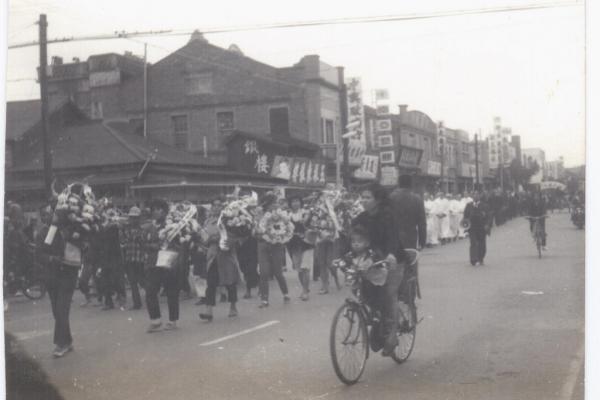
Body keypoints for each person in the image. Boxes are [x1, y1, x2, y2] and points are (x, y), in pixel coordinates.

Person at [352, 182, 407, 357]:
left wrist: (391, 254)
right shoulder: (360, 218)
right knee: (366, 293)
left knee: (389, 293)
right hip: (371, 261)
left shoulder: (388, 216)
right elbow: (352, 239)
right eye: (362, 197)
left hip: (393, 260)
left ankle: (392, 332)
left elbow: (393, 238)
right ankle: (378, 323)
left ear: (377, 199)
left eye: (368, 197)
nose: (364, 200)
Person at [36, 204, 79, 358]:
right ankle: (67, 340)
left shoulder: (67, 231)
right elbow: (39, 255)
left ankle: (60, 344)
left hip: (67, 275)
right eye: (43, 215)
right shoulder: (41, 234)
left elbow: (78, 247)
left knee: (61, 309)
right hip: (52, 276)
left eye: (49, 214)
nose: (46, 217)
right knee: (57, 311)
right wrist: (52, 259)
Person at [144, 199, 181, 333]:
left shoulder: (172, 225)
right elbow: (145, 243)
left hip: (167, 260)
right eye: (154, 209)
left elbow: (178, 243)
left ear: (165, 211)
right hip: (153, 262)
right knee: (150, 291)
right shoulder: (150, 227)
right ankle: (155, 320)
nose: (156, 212)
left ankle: (173, 320)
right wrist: (152, 246)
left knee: (171, 291)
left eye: (159, 209)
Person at [199, 217, 240, 321]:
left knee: (230, 282)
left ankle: (233, 306)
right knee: (211, 283)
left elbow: (233, 237)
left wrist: (222, 239)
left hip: (226, 256)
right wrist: (209, 239)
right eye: (214, 205)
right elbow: (204, 239)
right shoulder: (208, 222)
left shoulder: (230, 220)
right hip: (213, 257)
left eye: (218, 205)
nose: (216, 208)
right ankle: (209, 310)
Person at [256, 193, 290, 308]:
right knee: (264, 273)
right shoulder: (259, 215)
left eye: (276, 203)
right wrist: (259, 233)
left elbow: (287, 227)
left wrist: (281, 236)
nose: (275, 205)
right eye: (273, 203)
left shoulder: (280, 214)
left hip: (276, 245)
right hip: (263, 245)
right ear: (267, 204)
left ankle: (285, 293)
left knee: (278, 272)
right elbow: (255, 231)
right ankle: (264, 299)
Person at [388, 174, 427, 250]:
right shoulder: (417, 199)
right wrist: (422, 242)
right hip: (410, 237)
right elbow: (422, 223)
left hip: (393, 237)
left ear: (398, 183)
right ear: (411, 184)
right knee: (410, 259)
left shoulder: (391, 197)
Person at [286, 196, 313, 301]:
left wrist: (305, 220)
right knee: (299, 270)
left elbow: (308, 222)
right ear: (290, 203)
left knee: (305, 268)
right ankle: (304, 288)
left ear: (300, 202)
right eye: (293, 201)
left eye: (297, 201)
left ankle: (305, 291)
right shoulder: (287, 215)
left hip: (306, 243)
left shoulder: (305, 213)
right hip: (294, 245)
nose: (295, 203)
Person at [119, 206, 146, 310]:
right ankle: (137, 303)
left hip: (140, 258)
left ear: (139, 218)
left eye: (135, 217)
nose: (133, 219)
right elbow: (123, 241)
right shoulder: (126, 228)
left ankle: (151, 298)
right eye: (132, 217)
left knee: (142, 281)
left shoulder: (142, 228)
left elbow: (140, 241)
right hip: (130, 257)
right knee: (133, 282)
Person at [463, 192, 491, 266]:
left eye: (477, 194)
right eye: (474, 194)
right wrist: (466, 226)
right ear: (472, 196)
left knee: (482, 244)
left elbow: (488, 217)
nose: (475, 196)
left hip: (481, 228)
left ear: (480, 196)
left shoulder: (485, 206)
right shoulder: (468, 206)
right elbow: (465, 217)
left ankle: (480, 258)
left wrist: (487, 225)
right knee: (473, 243)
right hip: (472, 228)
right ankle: (473, 260)